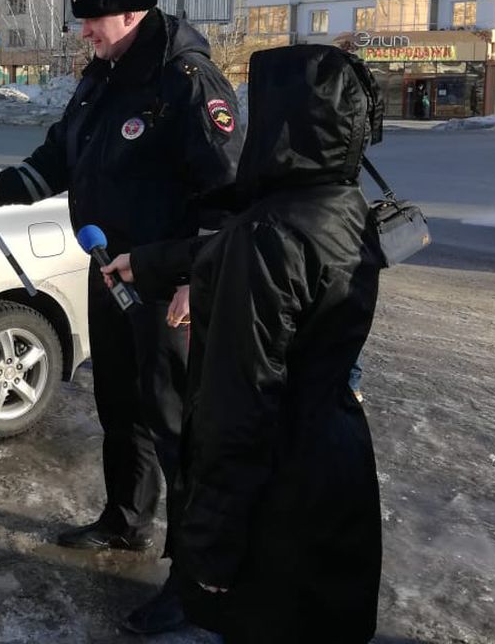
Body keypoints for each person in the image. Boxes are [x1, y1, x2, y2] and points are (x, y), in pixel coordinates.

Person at [0, 0, 243, 634]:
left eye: (92, 18)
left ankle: (193, 578)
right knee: (121, 402)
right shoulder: (105, 78)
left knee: (177, 424)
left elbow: (227, 196)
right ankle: (125, 518)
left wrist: (192, 283)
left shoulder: (186, 81)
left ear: (131, 12)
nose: (84, 30)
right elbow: (62, 152)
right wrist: (2, 191)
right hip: (109, 272)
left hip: (166, 282)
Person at [101, 44, 384, 644]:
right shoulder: (339, 205)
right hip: (337, 466)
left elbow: (240, 409)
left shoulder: (270, 235)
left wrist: (211, 547)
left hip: (279, 496)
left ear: (291, 122)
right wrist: (150, 265)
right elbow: (253, 251)